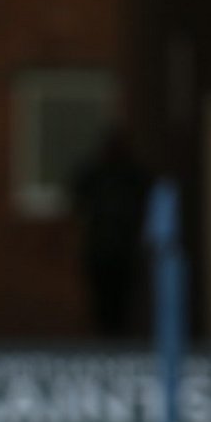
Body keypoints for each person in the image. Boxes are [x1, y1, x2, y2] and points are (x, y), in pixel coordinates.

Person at [72, 127, 151, 339]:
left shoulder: (133, 174)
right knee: (102, 300)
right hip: (99, 247)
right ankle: (105, 336)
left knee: (122, 299)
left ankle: (119, 337)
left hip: (125, 248)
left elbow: (148, 194)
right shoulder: (96, 173)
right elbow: (76, 194)